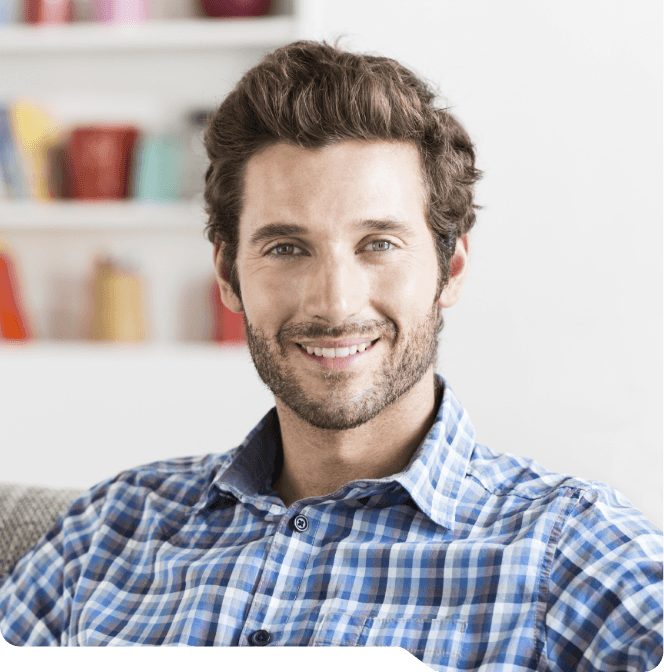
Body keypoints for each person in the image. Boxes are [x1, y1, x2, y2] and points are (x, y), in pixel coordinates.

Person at [0, 39, 661, 669]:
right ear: (229, 276)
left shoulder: (571, 552)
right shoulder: (106, 534)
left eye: (379, 244)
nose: (335, 303)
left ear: (450, 267)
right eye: (287, 248)